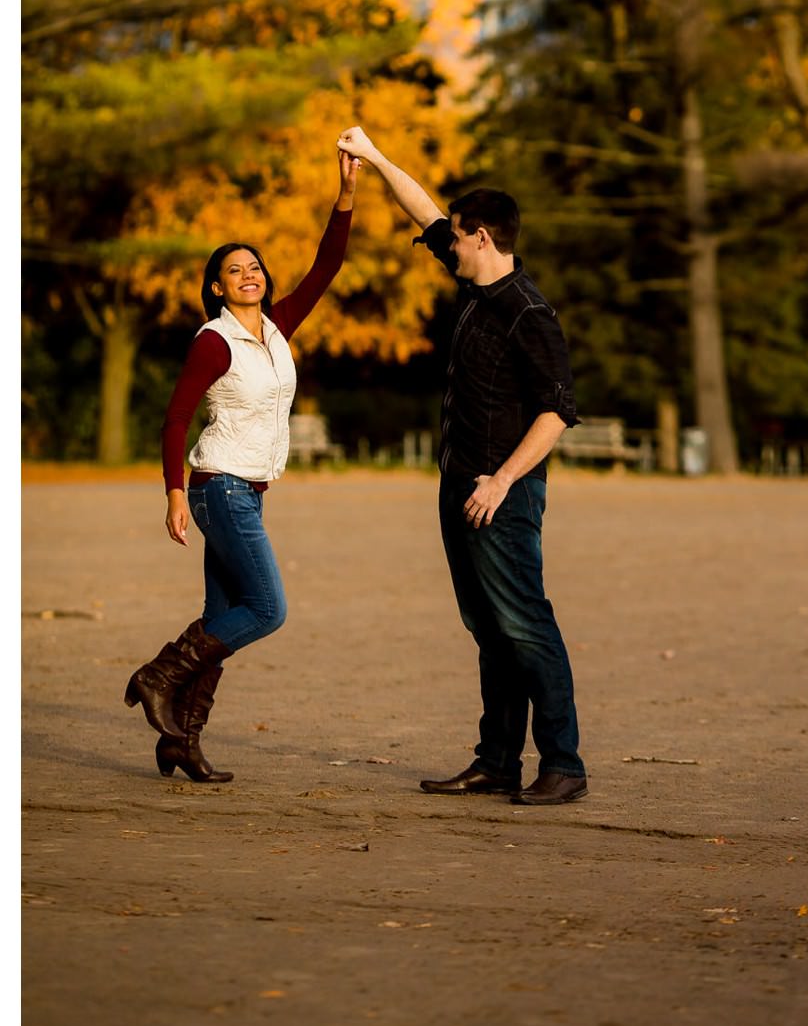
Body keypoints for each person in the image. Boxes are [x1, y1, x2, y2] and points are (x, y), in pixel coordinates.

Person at [336, 123, 588, 806]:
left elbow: (556, 410)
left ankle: (563, 763)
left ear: (483, 236)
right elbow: (423, 211)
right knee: (488, 627)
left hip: (503, 495)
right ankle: (496, 761)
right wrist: (376, 156)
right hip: (459, 485)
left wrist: (503, 481)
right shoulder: (475, 287)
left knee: (524, 621)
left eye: (458, 231)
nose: (447, 238)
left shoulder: (528, 313)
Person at [124, 145, 360, 782]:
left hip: (247, 491)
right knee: (266, 609)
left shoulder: (278, 328)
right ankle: (158, 675)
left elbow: (328, 265)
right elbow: (175, 418)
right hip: (217, 488)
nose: (249, 273)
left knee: (224, 616)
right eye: (235, 269)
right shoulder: (213, 341)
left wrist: (344, 196)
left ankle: (181, 739)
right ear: (217, 287)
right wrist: (175, 494)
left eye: (255, 266)